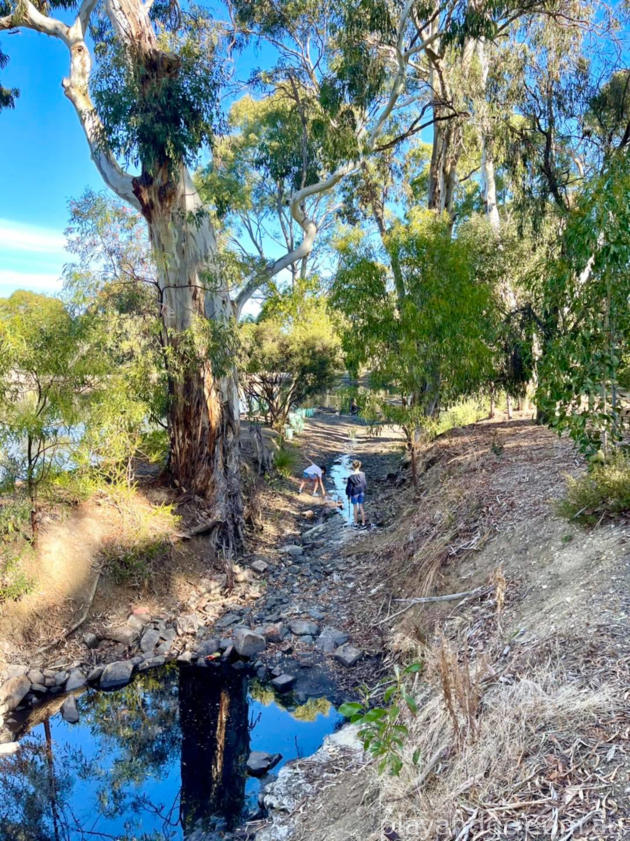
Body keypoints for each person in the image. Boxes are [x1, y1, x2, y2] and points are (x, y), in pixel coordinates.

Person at [345, 459, 367, 527]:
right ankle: (363, 523)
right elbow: (364, 484)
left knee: (355, 508)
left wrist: (348, 495)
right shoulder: (363, 474)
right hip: (361, 492)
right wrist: (363, 490)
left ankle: (355, 523)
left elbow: (349, 488)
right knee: (361, 507)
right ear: (359, 466)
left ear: (353, 466)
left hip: (354, 493)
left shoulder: (350, 477)